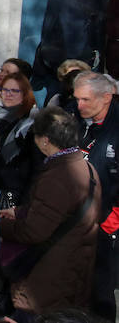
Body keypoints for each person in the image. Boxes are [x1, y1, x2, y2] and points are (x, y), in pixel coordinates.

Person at [0, 106, 100, 321]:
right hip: (73, 272)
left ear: (45, 140)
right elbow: (60, 209)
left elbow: (34, 232)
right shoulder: (87, 168)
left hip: (47, 280)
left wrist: (4, 226)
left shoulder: (58, 176)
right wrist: (20, 211)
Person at [0, 72, 39, 314]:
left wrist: (17, 202)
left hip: (10, 192)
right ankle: (7, 287)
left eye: (15, 91)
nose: (9, 95)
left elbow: (31, 168)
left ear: (25, 95)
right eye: (5, 90)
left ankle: (11, 298)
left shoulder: (30, 124)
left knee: (6, 244)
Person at [72, 71, 119, 320]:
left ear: (107, 97)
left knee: (101, 289)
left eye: (85, 100)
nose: (79, 105)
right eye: (77, 99)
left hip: (104, 223)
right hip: (74, 217)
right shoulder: (79, 119)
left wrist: (111, 220)